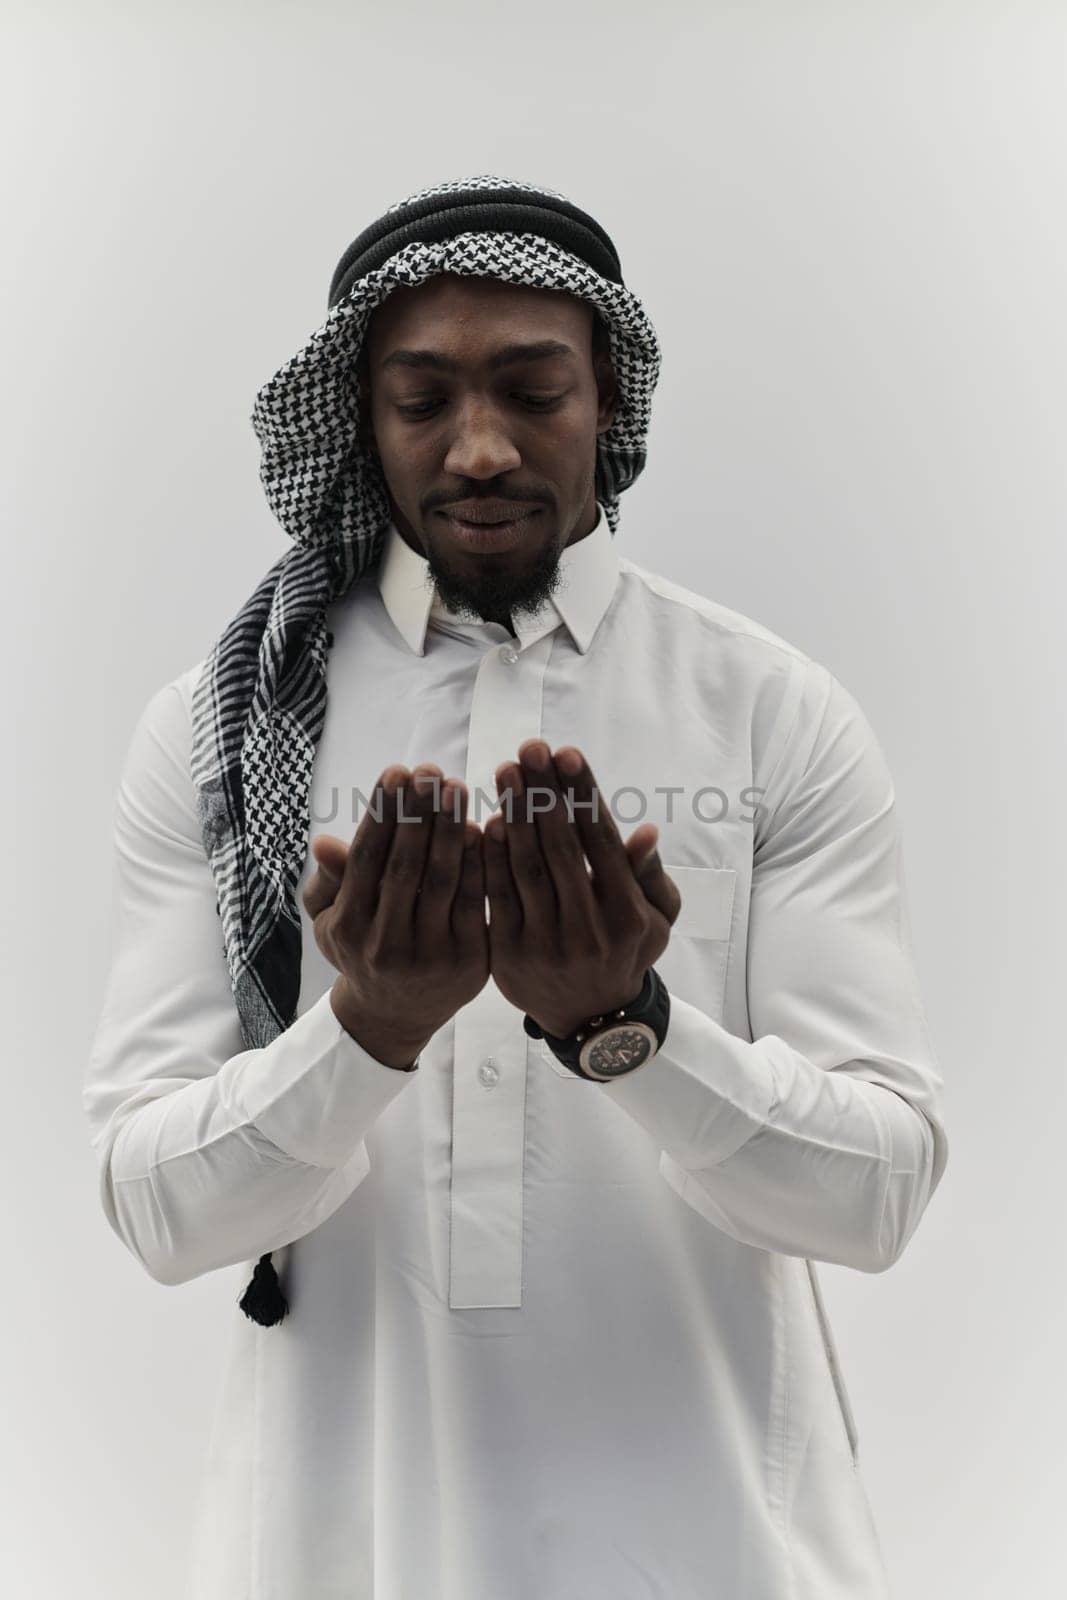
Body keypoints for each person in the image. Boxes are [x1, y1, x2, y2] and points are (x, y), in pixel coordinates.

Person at [83, 175, 949, 1599]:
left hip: (721, 1553)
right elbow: (156, 1212)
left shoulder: (770, 714)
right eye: (423, 400)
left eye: (532, 390)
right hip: (331, 1550)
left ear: (608, 397)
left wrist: (632, 1031)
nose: (479, 448)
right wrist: (362, 1036)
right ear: (362, 421)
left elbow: (881, 1198)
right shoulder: (222, 730)